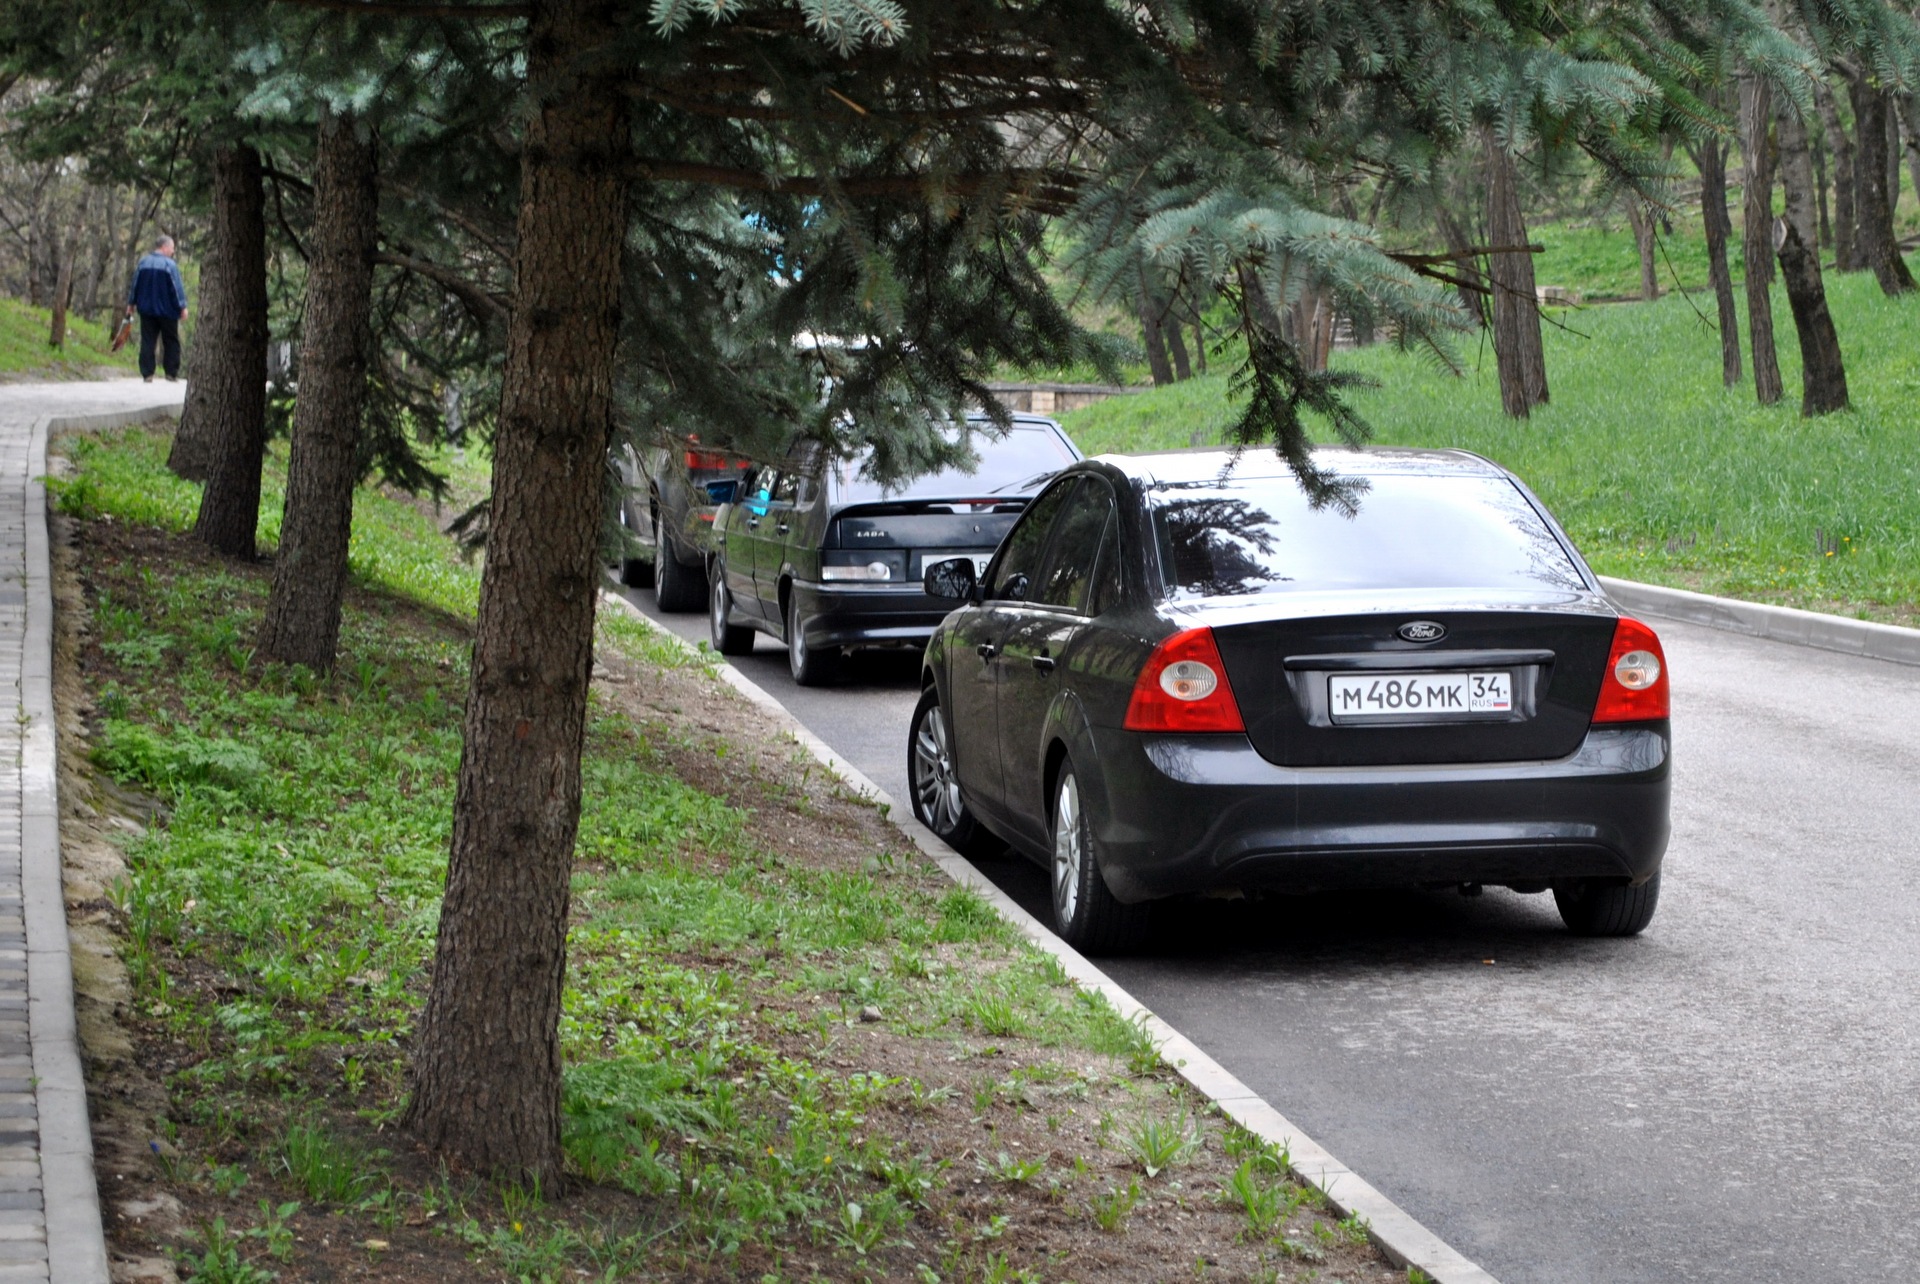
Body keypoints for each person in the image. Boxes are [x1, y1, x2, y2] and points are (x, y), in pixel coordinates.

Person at [124, 235, 189, 383]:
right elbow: (176, 289)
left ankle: (147, 373)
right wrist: (182, 306)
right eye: (172, 248)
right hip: (168, 311)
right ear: (164, 247)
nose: (173, 251)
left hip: (146, 310)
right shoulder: (169, 265)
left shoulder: (143, 263)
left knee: (148, 340)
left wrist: (131, 304)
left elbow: (135, 285)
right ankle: (171, 373)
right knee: (171, 340)